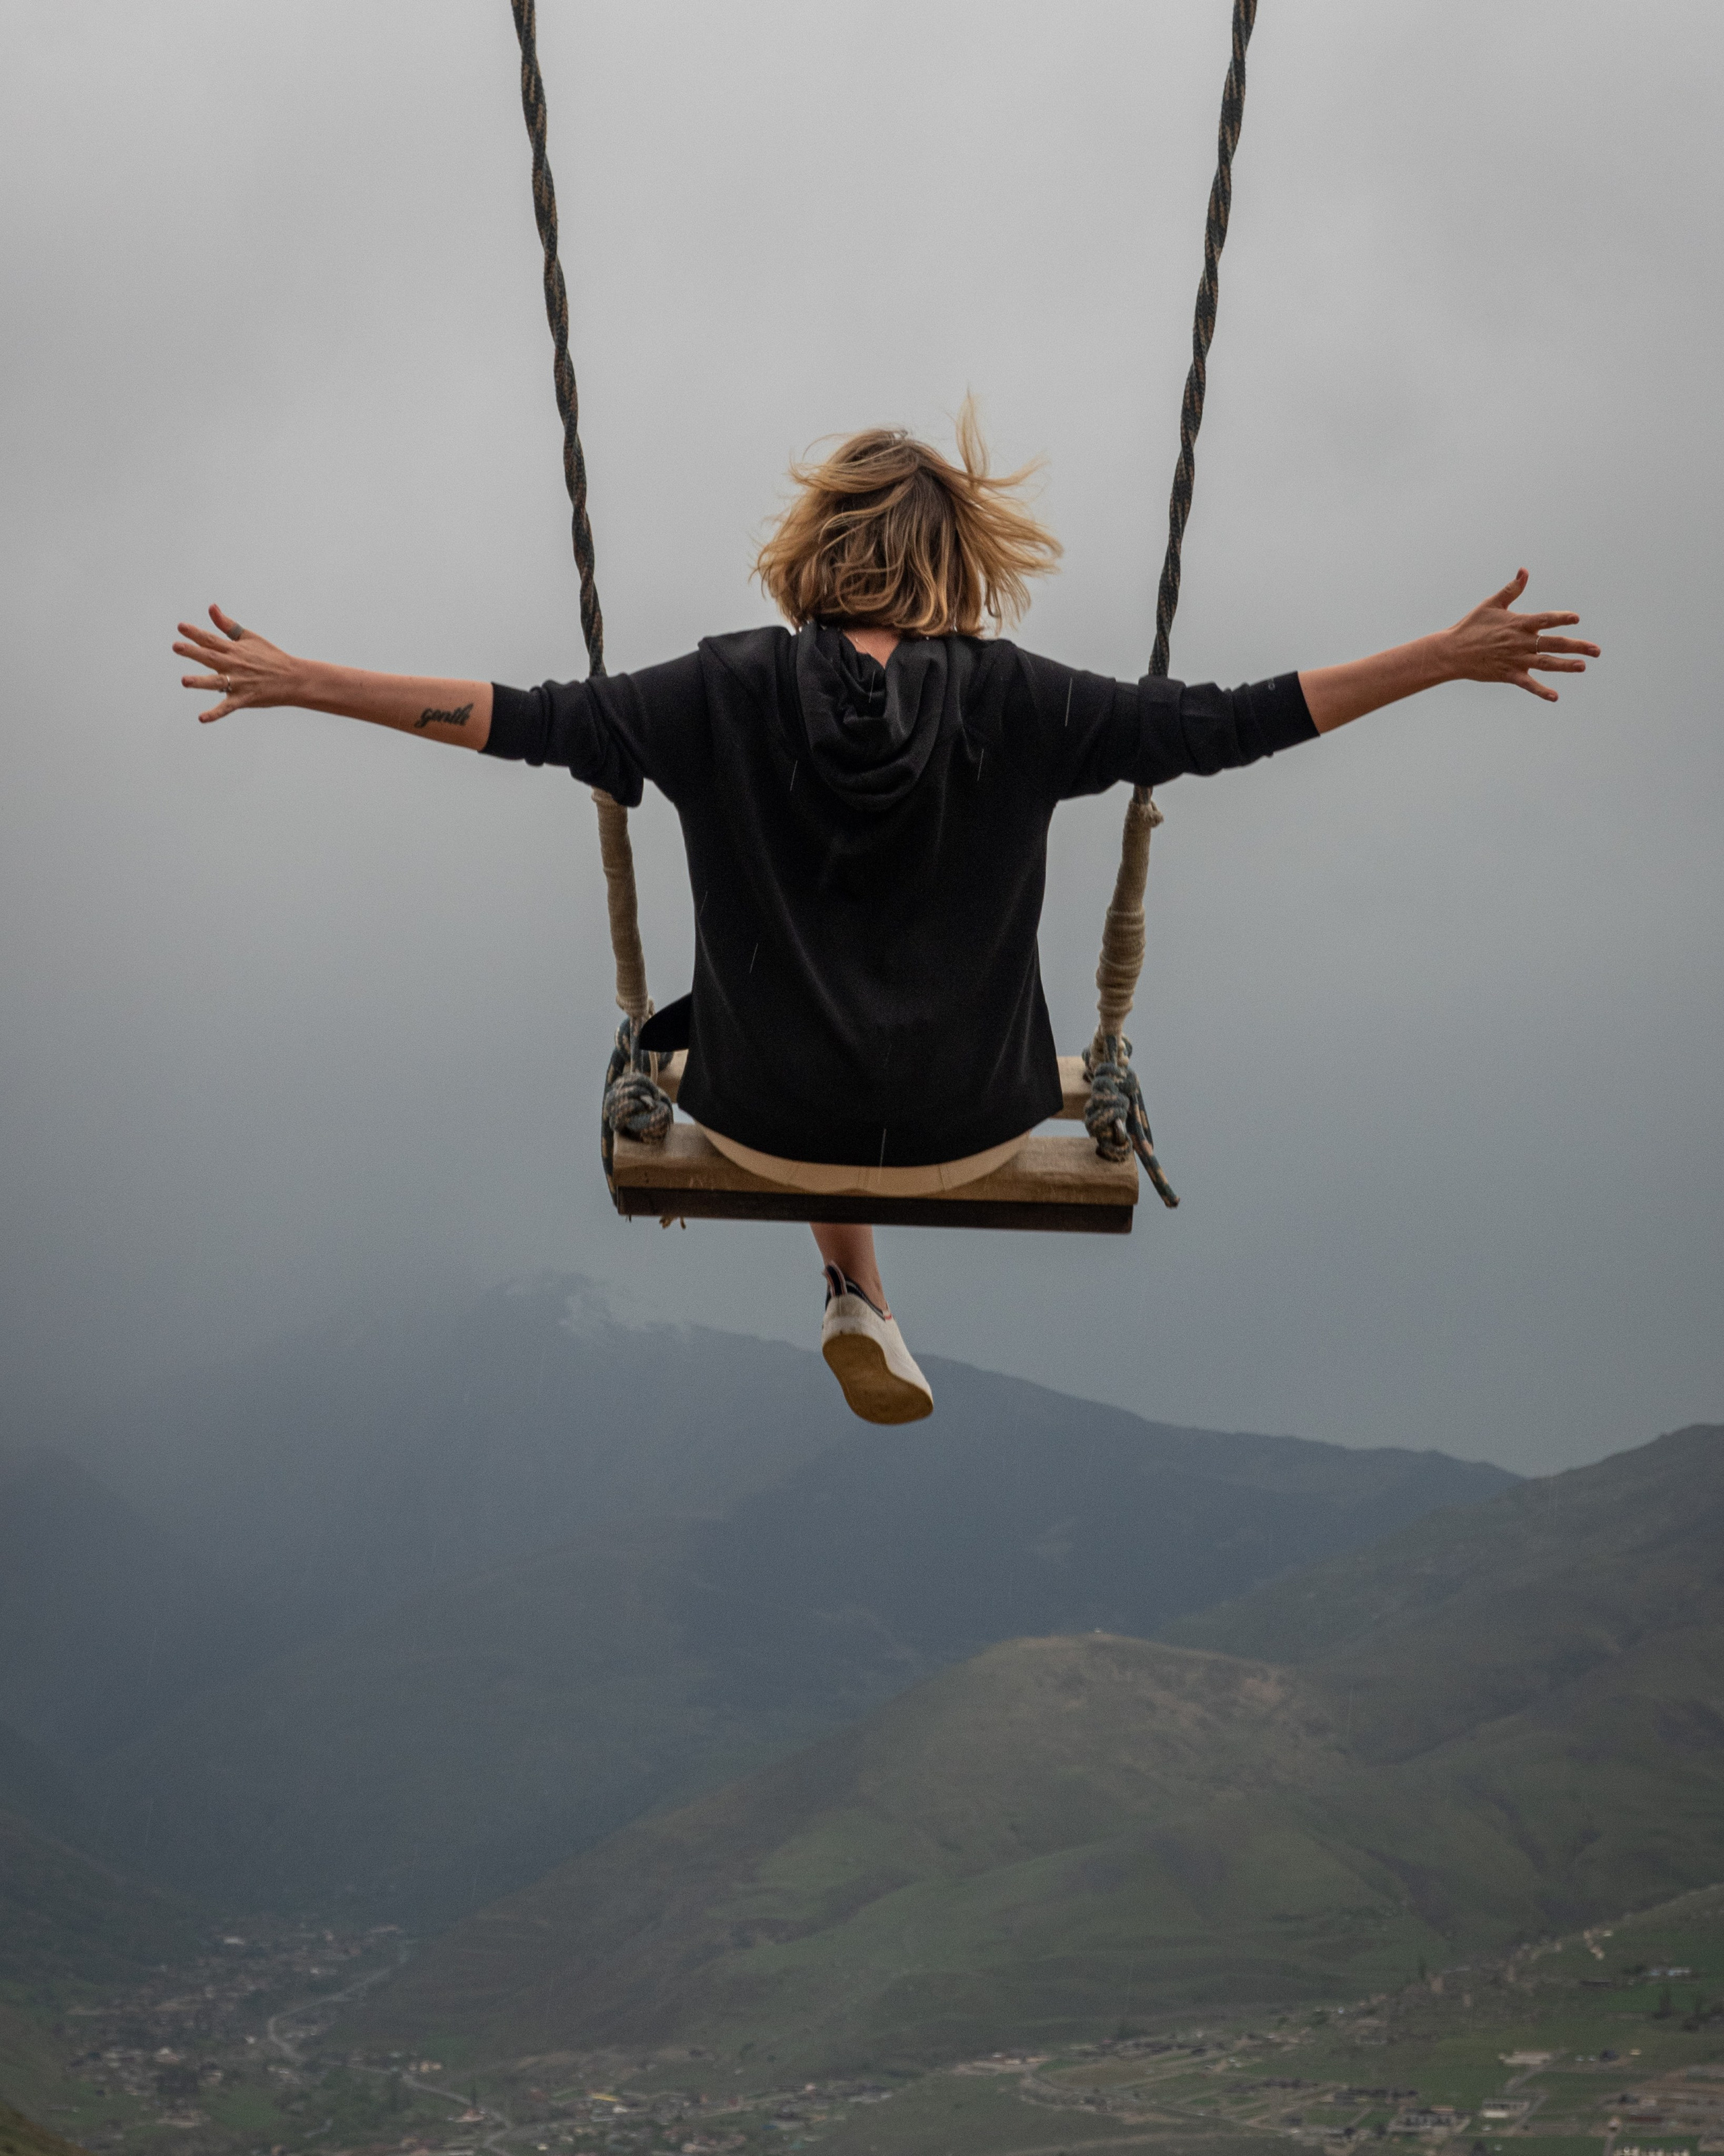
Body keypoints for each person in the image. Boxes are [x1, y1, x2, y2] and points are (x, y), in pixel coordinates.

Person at [174, 406, 1597, 1426]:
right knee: (865, 1036)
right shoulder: (1022, 698)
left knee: (788, 1041)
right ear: (958, 560)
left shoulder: (718, 688)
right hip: (964, 1118)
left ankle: (856, 1292)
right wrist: (1440, 655)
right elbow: (1224, 724)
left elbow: (517, 720)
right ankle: (860, 1298)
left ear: (814, 546)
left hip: (764, 1116)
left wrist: (308, 680)